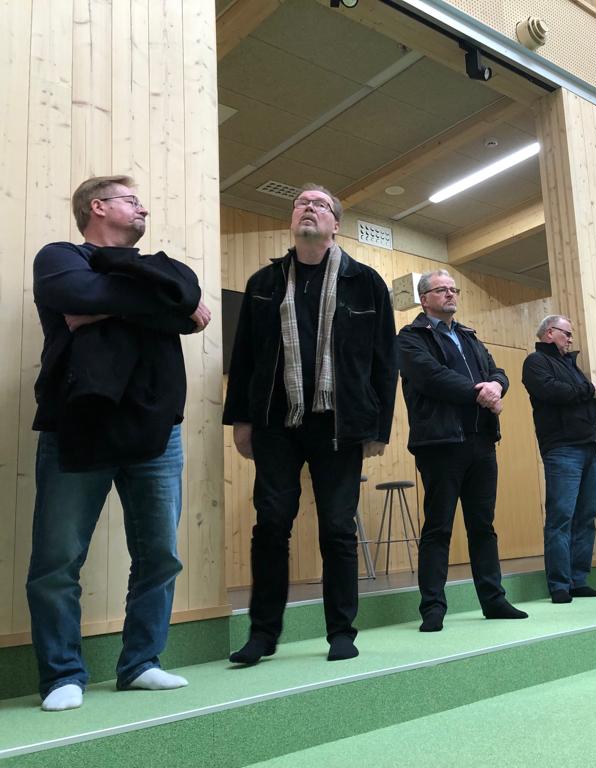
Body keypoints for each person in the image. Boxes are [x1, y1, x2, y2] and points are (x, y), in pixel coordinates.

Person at [27, 175, 212, 711]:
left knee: (160, 556)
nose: (143, 208)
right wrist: (162, 303)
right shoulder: (61, 257)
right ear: (98, 207)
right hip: (78, 427)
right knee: (58, 560)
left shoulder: (157, 265)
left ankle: (140, 665)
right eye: (132, 200)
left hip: (157, 433)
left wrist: (108, 310)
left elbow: (192, 306)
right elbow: (76, 295)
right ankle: (62, 675)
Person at [224, 183, 398, 664]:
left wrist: (379, 427)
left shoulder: (366, 282)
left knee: (338, 528)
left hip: (340, 423)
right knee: (271, 525)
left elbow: (386, 360)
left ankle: (341, 632)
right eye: (302, 202)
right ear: (292, 218)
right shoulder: (264, 282)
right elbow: (244, 358)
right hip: (275, 421)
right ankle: (263, 635)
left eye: (320, 204)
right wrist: (240, 420)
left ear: (335, 224)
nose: (309, 207)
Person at [398, 269, 527, 632]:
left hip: (481, 442)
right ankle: (433, 608)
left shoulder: (469, 336)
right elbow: (431, 377)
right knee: (438, 527)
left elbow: (498, 371)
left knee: (483, 526)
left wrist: (496, 386)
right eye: (442, 290)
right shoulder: (410, 337)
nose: (451, 294)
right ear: (424, 298)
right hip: (440, 444)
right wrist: (479, 392)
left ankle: (493, 600)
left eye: (453, 289)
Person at [523, 315, 596, 603]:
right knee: (561, 516)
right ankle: (559, 585)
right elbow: (553, 392)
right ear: (549, 333)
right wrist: (591, 389)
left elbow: (582, 399)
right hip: (562, 447)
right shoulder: (535, 362)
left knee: (586, 516)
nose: (570, 339)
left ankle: (578, 580)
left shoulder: (570, 365)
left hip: (588, 446)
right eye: (567, 333)